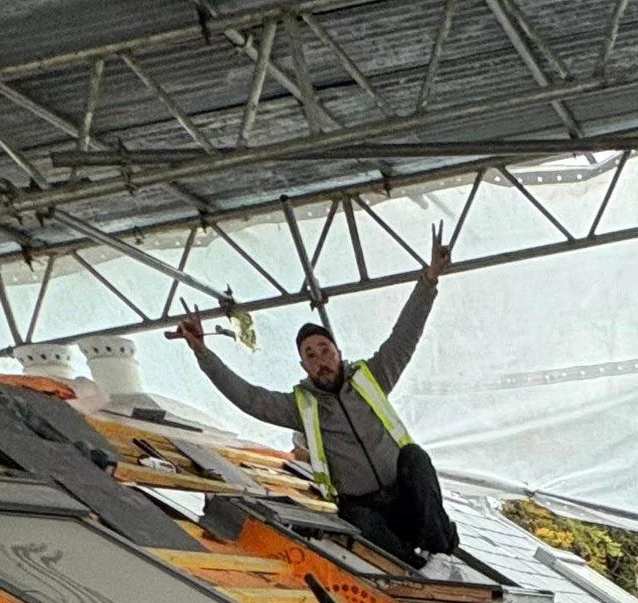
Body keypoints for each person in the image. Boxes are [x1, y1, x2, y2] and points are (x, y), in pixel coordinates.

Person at [171, 227, 460, 572]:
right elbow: (248, 397)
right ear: (304, 366)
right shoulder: (301, 406)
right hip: (370, 513)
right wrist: (202, 352)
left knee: (415, 457)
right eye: (311, 355)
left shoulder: (374, 377)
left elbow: (405, 336)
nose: (321, 359)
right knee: (352, 513)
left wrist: (428, 280)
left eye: (325, 350)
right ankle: (413, 568)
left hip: (407, 500)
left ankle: (440, 552)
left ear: (338, 353)